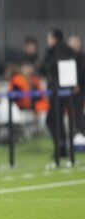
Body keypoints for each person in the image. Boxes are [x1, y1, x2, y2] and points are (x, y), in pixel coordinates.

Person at [40, 29, 75, 161]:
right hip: (61, 90)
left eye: (49, 37)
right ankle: (62, 149)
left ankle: (61, 148)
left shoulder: (59, 51)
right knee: (57, 120)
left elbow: (55, 68)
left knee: (52, 120)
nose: (47, 40)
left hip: (59, 90)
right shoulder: (63, 50)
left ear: (54, 38)